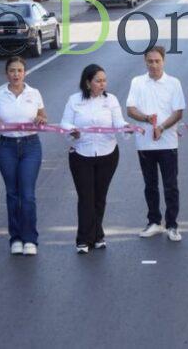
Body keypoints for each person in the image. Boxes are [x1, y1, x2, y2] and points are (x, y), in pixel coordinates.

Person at [62, 64, 127, 254]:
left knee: (100, 197)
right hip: (81, 154)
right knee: (86, 197)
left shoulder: (111, 100)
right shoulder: (74, 100)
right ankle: (83, 239)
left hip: (107, 153)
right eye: (98, 81)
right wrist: (71, 131)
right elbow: (65, 122)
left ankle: (98, 235)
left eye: (104, 80)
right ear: (88, 83)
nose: (102, 84)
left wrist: (126, 127)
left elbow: (118, 122)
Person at [126, 46, 186, 242]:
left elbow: (178, 112)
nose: (153, 65)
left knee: (171, 185)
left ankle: (172, 225)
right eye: (150, 61)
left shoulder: (173, 83)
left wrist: (161, 127)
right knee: (150, 185)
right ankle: (154, 222)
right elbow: (130, 109)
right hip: (144, 144)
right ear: (145, 61)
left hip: (168, 143)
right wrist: (145, 119)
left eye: (157, 61)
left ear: (164, 61)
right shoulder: (137, 82)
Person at [0, 57, 46, 256]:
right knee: (12, 194)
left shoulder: (34, 93)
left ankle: (30, 238)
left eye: (20, 70)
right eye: (12, 71)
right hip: (6, 147)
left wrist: (41, 119)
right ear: (6, 73)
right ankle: (15, 238)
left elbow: (43, 116)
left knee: (28, 195)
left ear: (25, 73)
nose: (16, 74)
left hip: (30, 146)